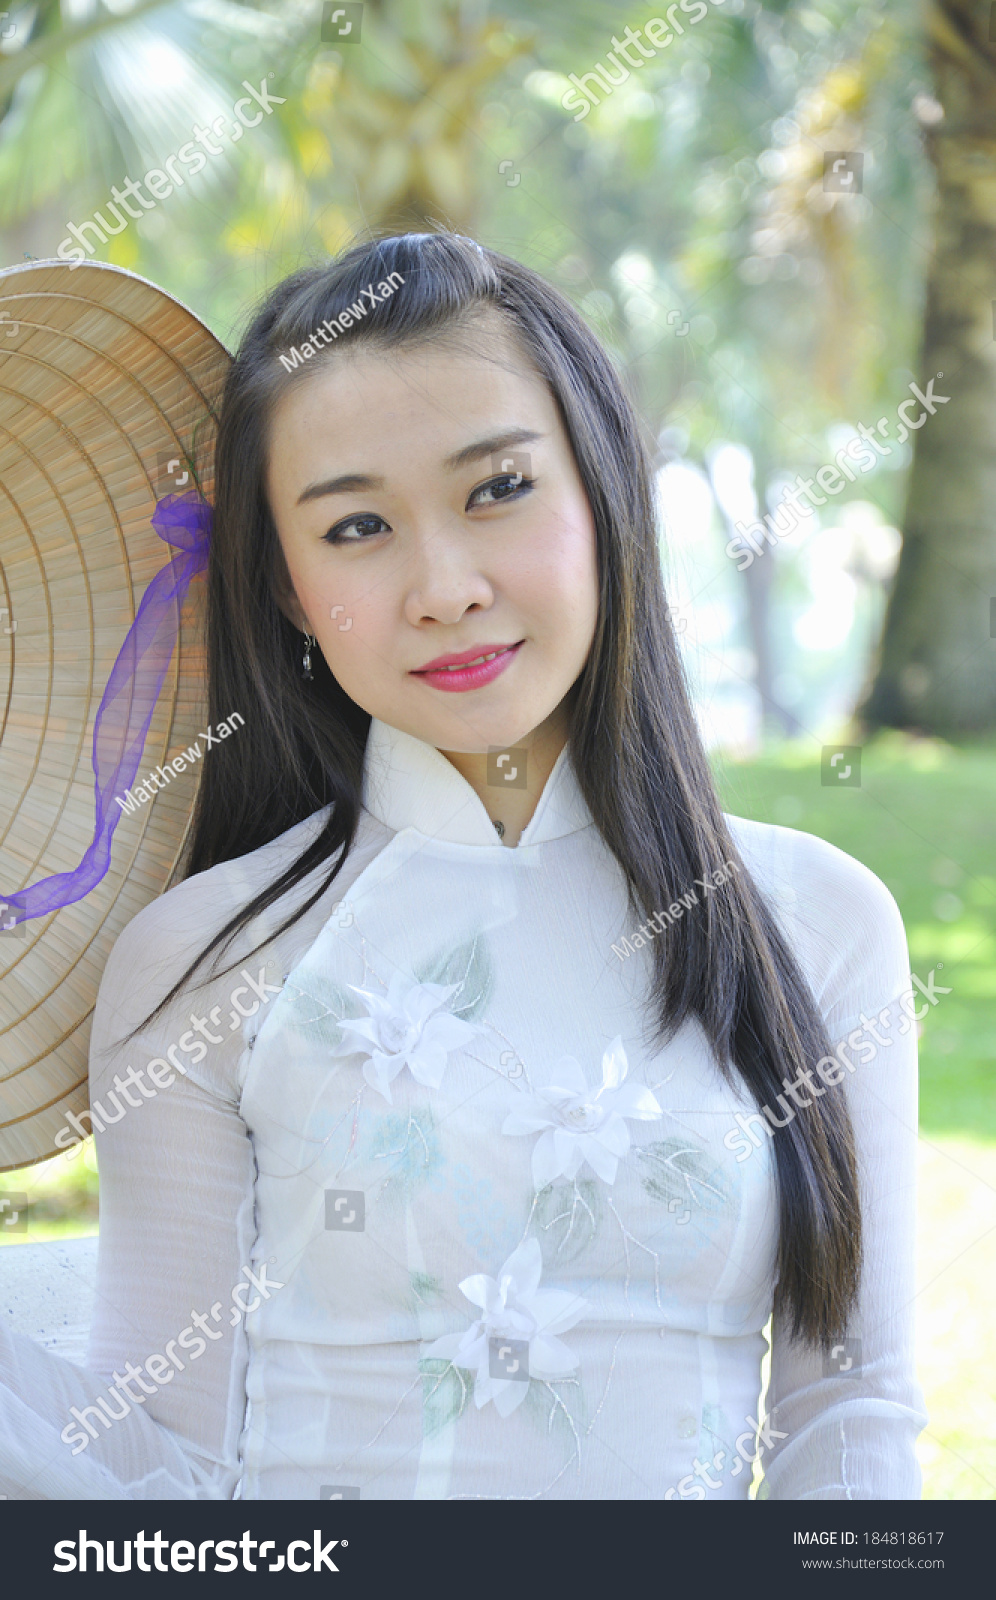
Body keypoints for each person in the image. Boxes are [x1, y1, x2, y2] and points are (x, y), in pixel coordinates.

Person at [0, 231, 926, 1500]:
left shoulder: (813, 925)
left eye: (496, 490)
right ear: (284, 591)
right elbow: (159, 1449)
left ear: (604, 490)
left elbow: (854, 1418)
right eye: (359, 525)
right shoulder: (201, 959)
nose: (442, 587)